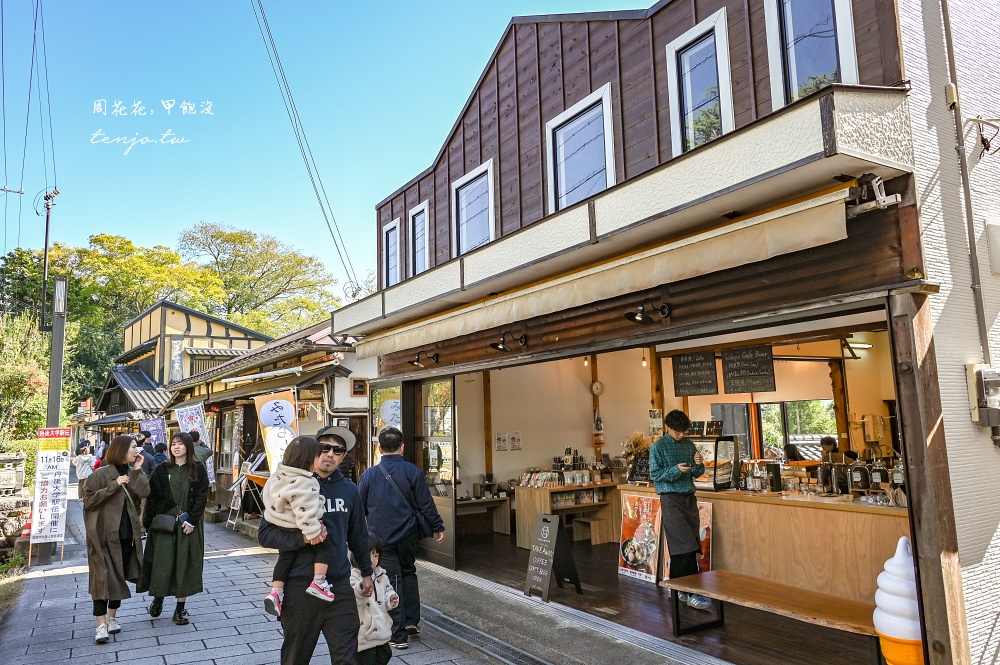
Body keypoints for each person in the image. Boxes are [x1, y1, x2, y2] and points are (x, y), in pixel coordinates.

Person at [257, 428, 374, 665]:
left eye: (338, 450)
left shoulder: (349, 490)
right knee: (295, 657)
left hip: (338, 586)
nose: (330, 453)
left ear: (343, 456)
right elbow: (265, 535)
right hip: (298, 586)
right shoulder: (290, 485)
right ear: (313, 453)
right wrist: (304, 539)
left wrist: (366, 572)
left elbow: (359, 536)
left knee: (347, 657)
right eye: (325, 447)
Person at [358, 426, 445, 649]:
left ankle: (397, 634)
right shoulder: (413, 471)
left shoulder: (369, 475)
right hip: (408, 535)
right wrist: (438, 526)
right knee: (408, 572)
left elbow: (359, 508)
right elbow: (426, 503)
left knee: (391, 579)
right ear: (402, 447)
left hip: (381, 538)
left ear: (379, 448)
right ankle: (411, 622)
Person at [82, 435, 150, 644]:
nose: (136, 451)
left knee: (118, 576)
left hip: (127, 535)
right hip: (102, 536)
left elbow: (144, 492)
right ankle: (100, 625)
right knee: (101, 578)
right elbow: (89, 501)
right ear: (121, 450)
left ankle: (112, 618)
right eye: (132, 447)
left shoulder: (133, 472)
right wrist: (114, 485)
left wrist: (137, 470)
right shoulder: (101, 474)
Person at [137, 432, 210, 625]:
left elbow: (202, 497)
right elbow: (152, 498)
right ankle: (158, 597)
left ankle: (180, 609)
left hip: (188, 525)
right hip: (165, 525)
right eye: (173, 444)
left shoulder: (198, 469)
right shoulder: (161, 469)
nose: (176, 447)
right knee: (162, 563)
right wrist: (148, 523)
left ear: (188, 446)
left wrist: (192, 520)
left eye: (180, 444)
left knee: (184, 565)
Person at [262, 437, 337, 617]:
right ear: (310, 460)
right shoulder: (305, 482)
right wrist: (314, 533)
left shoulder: (279, 476)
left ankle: (276, 593)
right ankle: (319, 582)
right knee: (325, 546)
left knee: (285, 557)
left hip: (280, 523)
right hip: (299, 526)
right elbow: (305, 510)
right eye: (318, 455)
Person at [649, 409, 712, 611]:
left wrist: (699, 464)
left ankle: (676, 587)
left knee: (687, 546)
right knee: (684, 545)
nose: (681, 435)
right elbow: (655, 475)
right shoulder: (658, 447)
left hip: (689, 499)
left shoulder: (689, 444)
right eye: (678, 432)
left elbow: (697, 472)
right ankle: (693, 593)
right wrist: (676, 470)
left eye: (684, 431)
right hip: (670, 500)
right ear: (668, 427)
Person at [352, 532, 398, 665]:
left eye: (376, 555)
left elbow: (388, 590)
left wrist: (391, 598)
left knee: (384, 655)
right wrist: (361, 588)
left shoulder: (382, 575)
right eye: (368, 555)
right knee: (366, 660)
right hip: (364, 633)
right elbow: (353, 597)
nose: (372, 560)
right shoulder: (353, 575)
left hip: (382, 629)